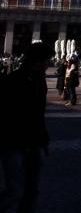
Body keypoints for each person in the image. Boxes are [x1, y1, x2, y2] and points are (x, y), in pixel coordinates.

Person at [0, 42, 54, 213]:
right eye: (46, 61)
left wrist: (43, 140)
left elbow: (39, 113)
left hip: (35, 143)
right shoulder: (13, 80)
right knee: (15, 191)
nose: (48, 64)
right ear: (37, 61)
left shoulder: (41, 81)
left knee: (32, 190)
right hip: (14, 143)